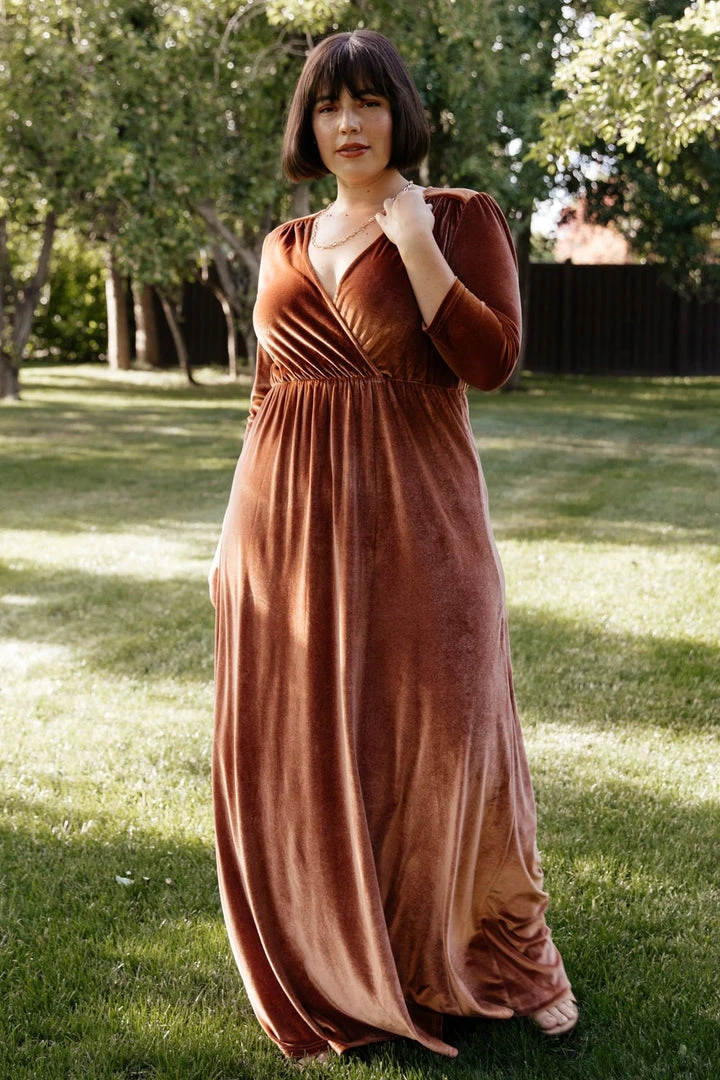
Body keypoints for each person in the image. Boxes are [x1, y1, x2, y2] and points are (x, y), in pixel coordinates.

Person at [209, 28, 577, 1062]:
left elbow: (492, 362)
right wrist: (231, 542)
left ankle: (489, 958)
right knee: (315, 746)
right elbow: (266, 398)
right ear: (309, 124)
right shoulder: (283, 244)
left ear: (399, 114)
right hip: (286, 535)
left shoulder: (459, 218)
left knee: (442, 738)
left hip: (422, 521)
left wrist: (414, 242)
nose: (349, 123)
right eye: (330, 106)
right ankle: (340, 955)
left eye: (368, 101)